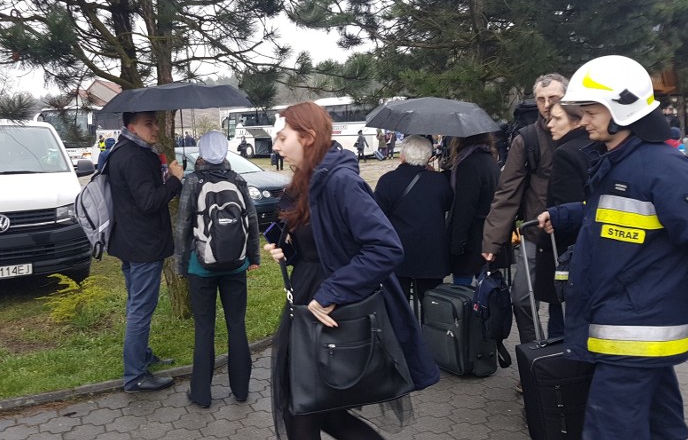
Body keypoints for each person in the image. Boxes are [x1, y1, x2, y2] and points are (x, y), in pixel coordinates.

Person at [537, 55, 688, 439]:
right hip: (635, 327)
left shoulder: (663, 168)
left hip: (634, 329)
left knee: (609, 429)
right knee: (662, 426)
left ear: (622, 109)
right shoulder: (621, 163)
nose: (583, 119)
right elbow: (618, 216)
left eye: (590, 111)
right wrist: (566, 215)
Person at [263, 102, 440, 440]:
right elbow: (323, 244)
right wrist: (288, 250)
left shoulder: (341, 182)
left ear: (308, 137)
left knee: (304, 410)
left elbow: (386, 248)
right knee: (318, 410)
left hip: (332, 308)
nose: (275, 146)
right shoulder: (307, 181)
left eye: (282, 138)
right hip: (308, 300)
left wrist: (332, 292)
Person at [481, 73, 566, 392]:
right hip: (533, 236)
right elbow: (507, 193)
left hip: (571, 236)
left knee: (565, 304)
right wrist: (492, 240)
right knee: (522, 300)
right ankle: (537, 364)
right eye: (541, 99)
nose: (547, 106)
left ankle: (566, 371)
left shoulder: (581, 132)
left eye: (553, 99)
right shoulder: (527, 139)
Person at [174, 131, 260, 409]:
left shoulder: (192, 181)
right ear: (225, 152)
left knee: (204, 328)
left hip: (202, 266)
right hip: (236, 264)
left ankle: (201, 394)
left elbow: (183, 226)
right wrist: (254, 256)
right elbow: (252, 219)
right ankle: (242, 390)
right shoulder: (237, 179)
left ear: (201, 152)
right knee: (237, 324)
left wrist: (181, 265)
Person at [107, 111, 184, 392]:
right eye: (148, 124)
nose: (155, 128)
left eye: (156, 122)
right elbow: (149, 202)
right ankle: (135, 375)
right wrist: (174, 180)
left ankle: (141, 356)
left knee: (135, 305)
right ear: (132, 127)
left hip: (129, 242)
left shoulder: (121, 150)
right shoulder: (136, 157)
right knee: (141, 310)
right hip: (143, 246)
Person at [374, 135, 452, 319]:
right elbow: (448, 205)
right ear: (428, 157)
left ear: (402, 155)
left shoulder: (388, 181)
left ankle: (404, 343)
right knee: (432, 307)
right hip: (432, 253)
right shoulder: (439, 182)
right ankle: (433, 341)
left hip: (399, 253)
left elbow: (377, 216)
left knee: (397, 307)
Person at [532, 102, 588, 338]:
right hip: (589, 252)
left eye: (557, 119)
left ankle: (560, 373)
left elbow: (565, 208)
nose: (549, 124)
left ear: (576, 121)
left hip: (564, 254)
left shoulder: (565, 153)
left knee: (560, 325)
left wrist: (544, 239)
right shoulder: (593, 147)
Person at [447, 133, 505, 286]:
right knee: (484, 288)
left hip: (471, 239)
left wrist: (456, 244)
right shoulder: (490, 160)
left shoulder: (469, 164)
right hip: (487, 233)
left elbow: (464, 207)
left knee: (462, 291)